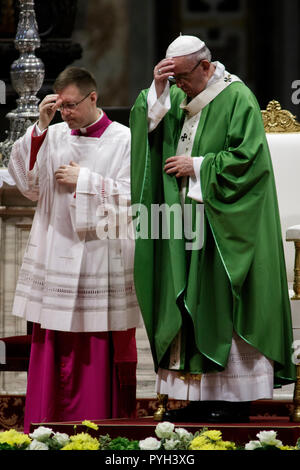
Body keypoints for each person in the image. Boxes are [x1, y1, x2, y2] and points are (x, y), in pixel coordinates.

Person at [130, 35, 296, 422]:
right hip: (185, 223)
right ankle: (197, 396)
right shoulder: (176, 94)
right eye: (173, 80)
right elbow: (148, 122)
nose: (180, 86)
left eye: (184, 77)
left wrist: (199, 166)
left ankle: (233, 398)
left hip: (227, 223)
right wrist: (157, 88)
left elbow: (249, 160)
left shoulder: (238, 97)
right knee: (186, 298)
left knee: (220, 300)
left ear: (206, 66)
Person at [9, 66, 142, 433]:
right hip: (56, 248)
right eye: (60, 106)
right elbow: (27, 183)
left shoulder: (124, 140)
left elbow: (136, 199)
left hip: (100, 254)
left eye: (70, 106)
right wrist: (39, 126)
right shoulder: (53, 136)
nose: (65, 114)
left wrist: (84, 180)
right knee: (54, 341)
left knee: (94, 347)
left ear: (94, 98)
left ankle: (97, 426)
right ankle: (46, 425)